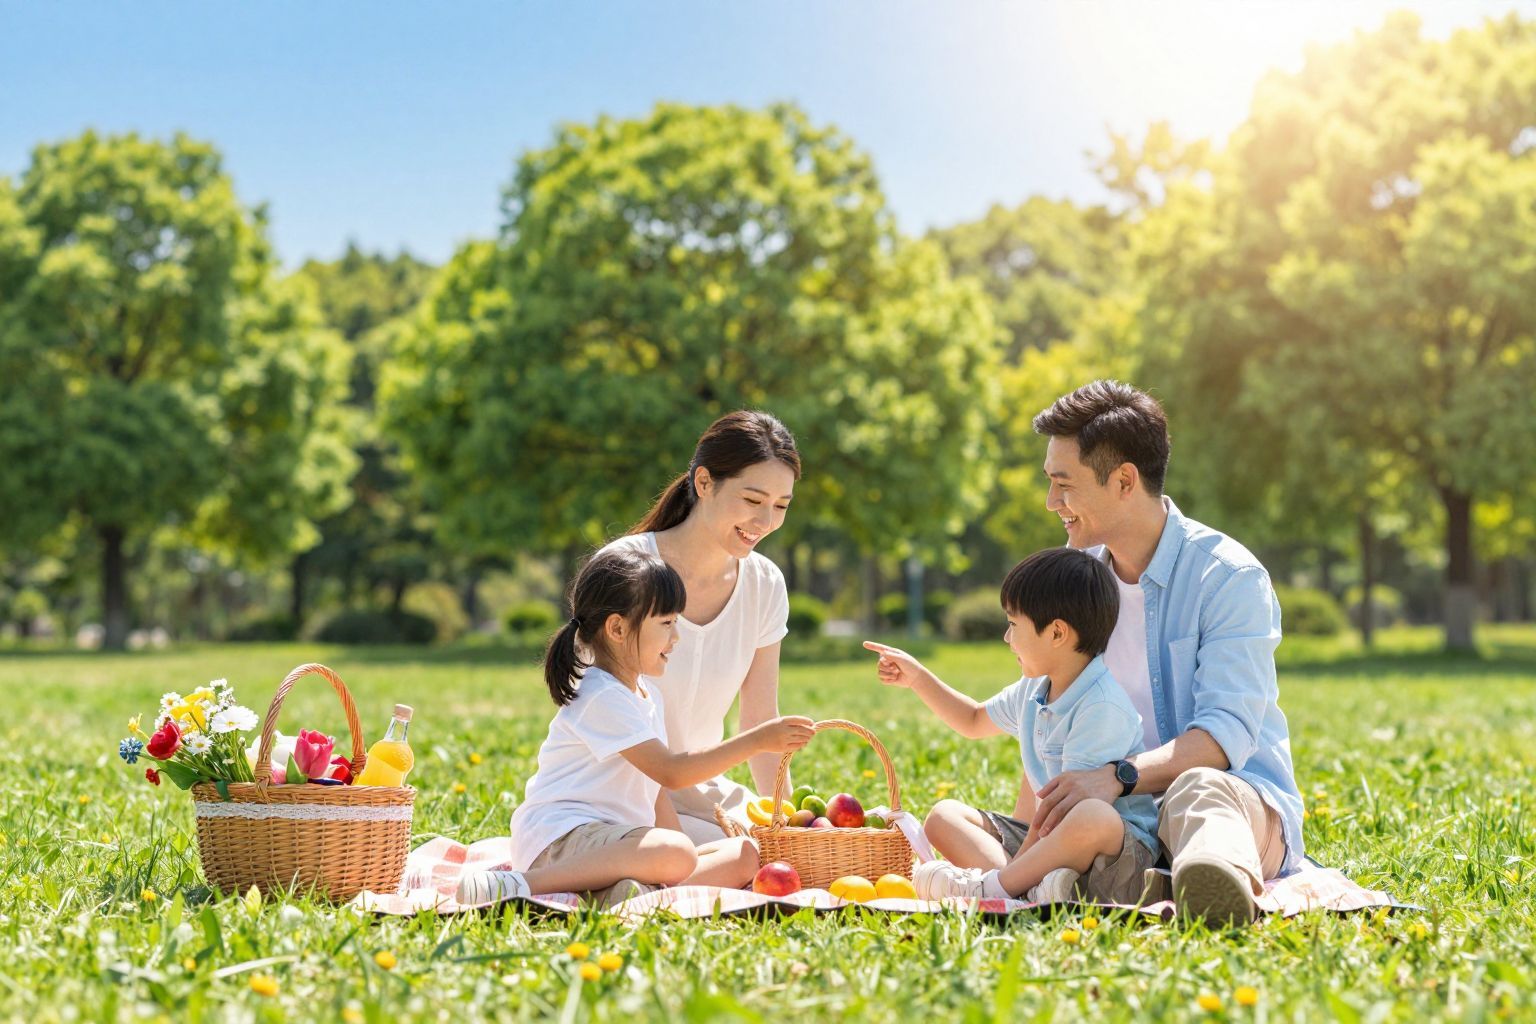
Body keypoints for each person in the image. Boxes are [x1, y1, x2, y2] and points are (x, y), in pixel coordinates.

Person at [1019, 380, 1305, 925]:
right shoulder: (1076, 578)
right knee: (962, 821)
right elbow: (1050, 706)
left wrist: (1116, 775)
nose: (1052, 502)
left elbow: (1224, 736)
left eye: (1064, 485)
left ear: (1124, 480)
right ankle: (1152, 885)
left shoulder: (1228, 578)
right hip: (1117, 820)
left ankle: (1214, 884)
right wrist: (1038, 819)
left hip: (1229, 805)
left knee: (1197, 791)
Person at [455, 547, 814, 908]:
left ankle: (634, 895)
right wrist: (759, 740)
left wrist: (676, 854)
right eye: (666, 624)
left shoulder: (646, 695)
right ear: (617, 628)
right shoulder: (600, 695)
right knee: (674, 851)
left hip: (619, 842)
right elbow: (672, 773)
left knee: (745, 854)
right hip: (561, 841)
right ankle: (519, 883)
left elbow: (655, 791)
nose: (676, 638)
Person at [865, 548, 1160, 904]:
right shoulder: (1034, 688)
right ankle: (1027, 890)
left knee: (1091, 816)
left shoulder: (1100, 706)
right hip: (1049, 839)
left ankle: (998, 888)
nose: (1007, 638)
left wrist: (1017, 864)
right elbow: (974, 720)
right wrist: (917, 677)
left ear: (1056, 634)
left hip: (1114, 856)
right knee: (943, 816)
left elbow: (1060, 812)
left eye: (1013, 625)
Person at [600, 410, 801, 844]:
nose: (765, 522)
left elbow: (760, 718)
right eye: (752, 500)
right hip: (616, 795)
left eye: (781, 506)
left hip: (702, 794)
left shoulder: (764, 584)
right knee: (739, 856)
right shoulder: (626, 570)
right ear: (704, 483)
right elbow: (599, 710)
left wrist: (790, 826)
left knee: (782, 852)